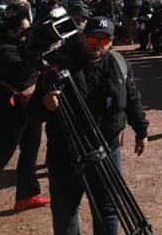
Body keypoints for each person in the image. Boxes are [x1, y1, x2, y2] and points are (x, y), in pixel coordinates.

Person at [28, 17, 149, 235]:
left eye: (105, 41)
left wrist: (141, 131)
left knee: (108, 209)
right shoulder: (59, 66)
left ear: (112, 41)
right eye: (93, 38)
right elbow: (34, 113)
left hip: (107, 149)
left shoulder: (120, 64)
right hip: (66, 152)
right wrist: (46, 104)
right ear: (84, 37)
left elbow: (132, 99)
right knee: (65, 211)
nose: (98, 45)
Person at [0, 5, 49, 215]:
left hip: (29, 108)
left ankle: (27, 195)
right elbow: (22, 76)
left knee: (30, 152)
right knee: (2, 154)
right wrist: (37, 56)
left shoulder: (25, 48)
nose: (28, 34)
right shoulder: (5, 51)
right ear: (13, 31)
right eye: (25, 30)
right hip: (6, 112)